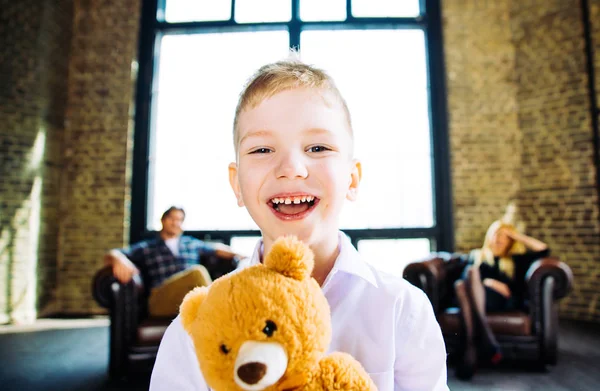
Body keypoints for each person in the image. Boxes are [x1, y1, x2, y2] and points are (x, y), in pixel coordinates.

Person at [149, 56, 448, 390]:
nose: (291, 167)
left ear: (352, 178)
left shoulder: (401, 309)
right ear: (237, 184)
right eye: (262, 149)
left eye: (318, 147)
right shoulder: (199, 327)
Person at [454, 211, 549, 380]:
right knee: (464, 280)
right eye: (495, 235)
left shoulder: (516, 260)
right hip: (476, 298)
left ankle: (471, 346)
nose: (498, 239)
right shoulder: (477, 256)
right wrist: (487, 283)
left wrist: (515, 234)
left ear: (510, 241)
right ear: (489, 237)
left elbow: (543, 249)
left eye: (503, 237)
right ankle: (484, 341)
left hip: (500, 300)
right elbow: (464, 281)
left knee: (463, 283)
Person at [104, 206, 239, 317]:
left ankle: (214, 313)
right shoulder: (148, 247)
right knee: (197, 272)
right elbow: (114, 253)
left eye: (179, 220)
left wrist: (241, 255)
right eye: (172, 218)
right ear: (163, 220)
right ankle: (219, 312)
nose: (175, 223)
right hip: (161, 299)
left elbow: (216, 249)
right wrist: (119, 260)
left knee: (201, 284)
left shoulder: (191, 243)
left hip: (189, 298)